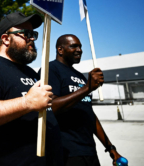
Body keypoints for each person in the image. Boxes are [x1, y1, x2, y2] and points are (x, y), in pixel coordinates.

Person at [0, 12, 62, 166]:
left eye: (33, 34)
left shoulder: (30, 72)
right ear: (6, 39)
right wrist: (27, 102)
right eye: (26, 34)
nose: (32, 38)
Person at [44, 34, 123, 166]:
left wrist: (111, 148)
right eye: (73, 46)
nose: (79, 50)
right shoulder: (50, 70)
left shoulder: (80, 76)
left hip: (89, 151)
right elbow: (52, 107)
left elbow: (89, 114)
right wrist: (87, 88)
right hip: (66, 153)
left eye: (80, 46)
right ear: (60, 50)